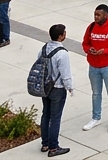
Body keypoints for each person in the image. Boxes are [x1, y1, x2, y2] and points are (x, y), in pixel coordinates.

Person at [81, 4, 108, 133]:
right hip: (94, 66)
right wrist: (90, 49)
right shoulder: (91, 27)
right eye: (95, 14)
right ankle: (96, 117)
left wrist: (104, 51)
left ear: (106, 15)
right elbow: (85, 43)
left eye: (98, 15)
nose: (96, 17)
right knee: (96, 93)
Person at [38, 23, 74, 156]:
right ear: (60, 36)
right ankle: (54, 147)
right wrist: (70, 88)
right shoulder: (62, 54)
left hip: (45, 87)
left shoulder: (44, 48)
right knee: (55, 118)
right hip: (57, 89)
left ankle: (45, 143)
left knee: (45, 114)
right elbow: (65, 74)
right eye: (64, 32)